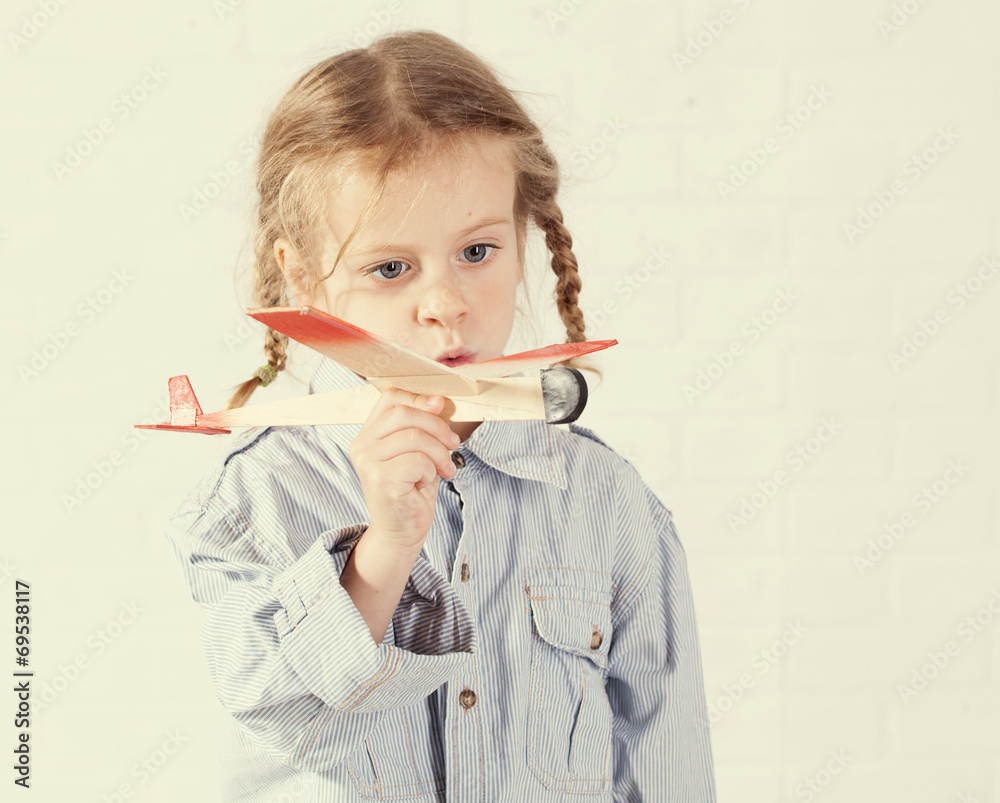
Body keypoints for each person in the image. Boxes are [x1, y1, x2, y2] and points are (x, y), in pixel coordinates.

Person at [163, 29, 716, 802]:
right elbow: (277, 706)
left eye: (477, 251)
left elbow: (666, 758)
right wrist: (383, 552)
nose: (445, 303)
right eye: (391, 267)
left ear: (522, 240)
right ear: (306, 283)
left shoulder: (609, 503)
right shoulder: (251, 503)